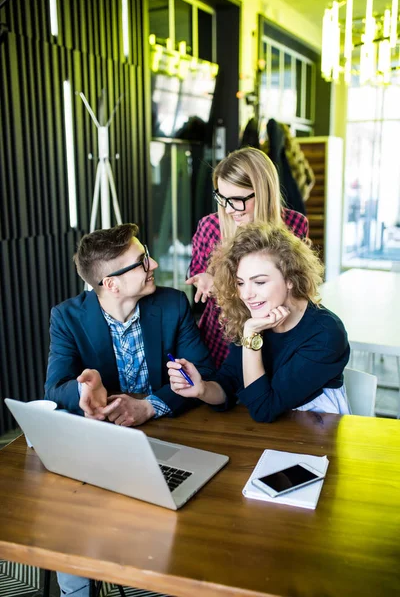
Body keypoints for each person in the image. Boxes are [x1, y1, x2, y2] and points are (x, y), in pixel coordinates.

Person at [45, 223, 214, 596]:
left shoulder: (171, 304)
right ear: (111, 284)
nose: (153, 263)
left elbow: (206, 373)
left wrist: (151, 406)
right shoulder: (67, 318)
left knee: (194, 523)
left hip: (174, 434)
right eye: (142, 261)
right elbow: (54, 392)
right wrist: (84, 389)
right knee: (73, 527)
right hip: (102, 442)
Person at [168, 223, 351, 421]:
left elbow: (264, 408)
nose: (246, 294)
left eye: (260, 282)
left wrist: (251, 337)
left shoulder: (326, 334)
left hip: (315, 438)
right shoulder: (253, 317)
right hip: (268, 436)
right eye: (240, 283)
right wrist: (202, 389)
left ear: (290, 279)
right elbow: (228, 385)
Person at [187, 146, 309, 368]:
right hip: (222, 338)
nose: (230, 209)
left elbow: (299, 285)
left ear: (263, 192)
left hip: (276, 336)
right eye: (222, 198)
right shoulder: (210, 226)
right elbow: (197, 271)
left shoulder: (295, 225)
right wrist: (203, 277)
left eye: (237, 199)